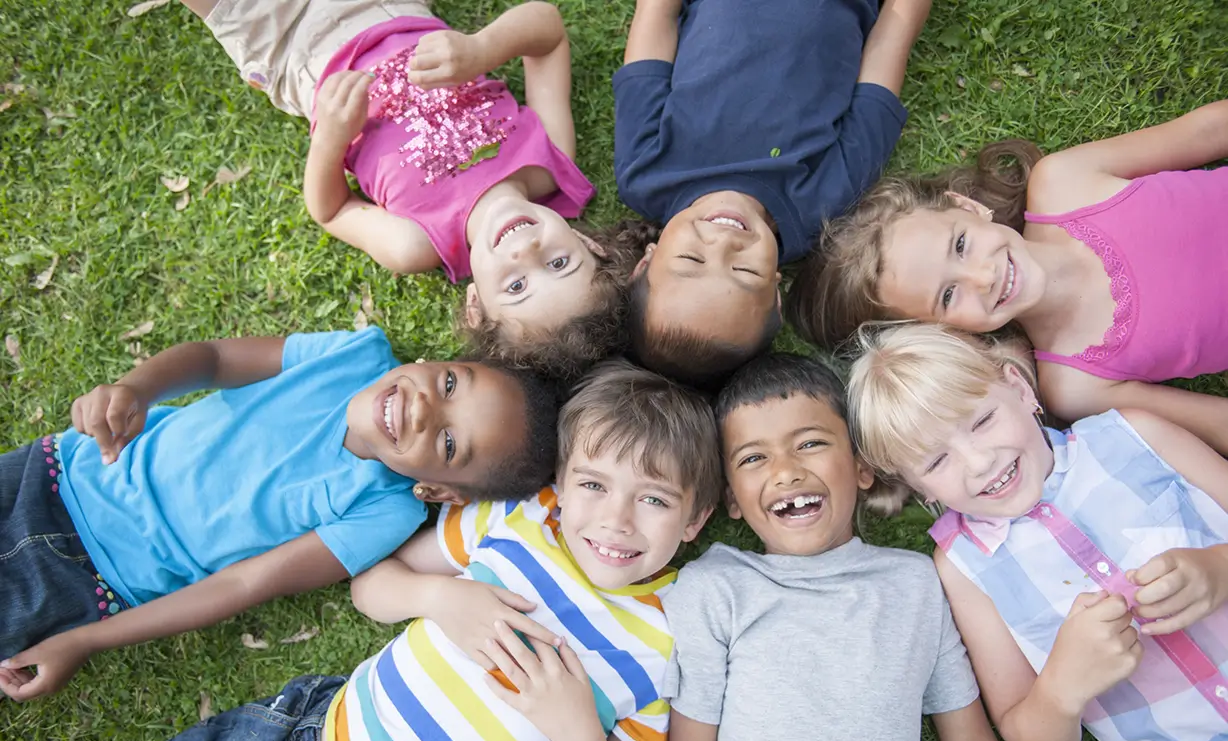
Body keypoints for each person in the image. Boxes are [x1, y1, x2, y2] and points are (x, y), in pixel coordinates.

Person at [67, 358, 724, 741]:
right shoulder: (518, 525)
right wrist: (437, 597)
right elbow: (371, 583)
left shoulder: (663, 648)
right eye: (593, 485)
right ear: (561, 480)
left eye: (655, 502)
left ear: (695, 520)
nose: (615, 519)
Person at [0, 326, 558, 702]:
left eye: (448, 443)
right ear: (438, 361)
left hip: (84, 578)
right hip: (56, 470)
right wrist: (136, 388)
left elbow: (245, 582)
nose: (423, 407)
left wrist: (84, 641)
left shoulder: (383, 513)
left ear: (438, 491)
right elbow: (215, 359)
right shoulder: (355, 355)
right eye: (450, 384)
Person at [847, 322, 1228, 741]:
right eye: (936, 461)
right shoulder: (964, 570)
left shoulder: (1134, 435)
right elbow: (1031, 739)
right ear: (920, 489)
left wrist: (1218, 568)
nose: (979, 462)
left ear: (1020, 387)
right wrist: (1062, 688)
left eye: (981, 421)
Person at [654, 352, 1018, 741]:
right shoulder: (715, 588)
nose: (785, 471)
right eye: (754, 458)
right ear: (731, 498)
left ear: (862, 468)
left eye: (809, 444)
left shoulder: (915, 585)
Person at [184, 0, 625, 378]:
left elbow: (331, 210)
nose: (525, 253)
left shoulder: (418, 243)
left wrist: (331, 139)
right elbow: (546, 31)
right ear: (588, 242)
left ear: (476, 306)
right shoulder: (548, 161)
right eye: (559, 261)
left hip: (294, 48)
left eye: (515, 287)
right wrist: (479, 48)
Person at [792, 99, 1228, 454]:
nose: (983, 277)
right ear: (947, 336)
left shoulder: (1064, 182)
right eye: (947, 295)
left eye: (960, 245)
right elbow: (1213, 423)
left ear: (967, 207)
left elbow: (1207, 130)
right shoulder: (1075, 384)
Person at [605, 0, 931, 388]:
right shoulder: (824, 203)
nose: (724, 244)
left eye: (692, 258)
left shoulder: (645, 170)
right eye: (745, 271)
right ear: (776, 290)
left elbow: (654, 25)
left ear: (647, 261)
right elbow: (888, 49)